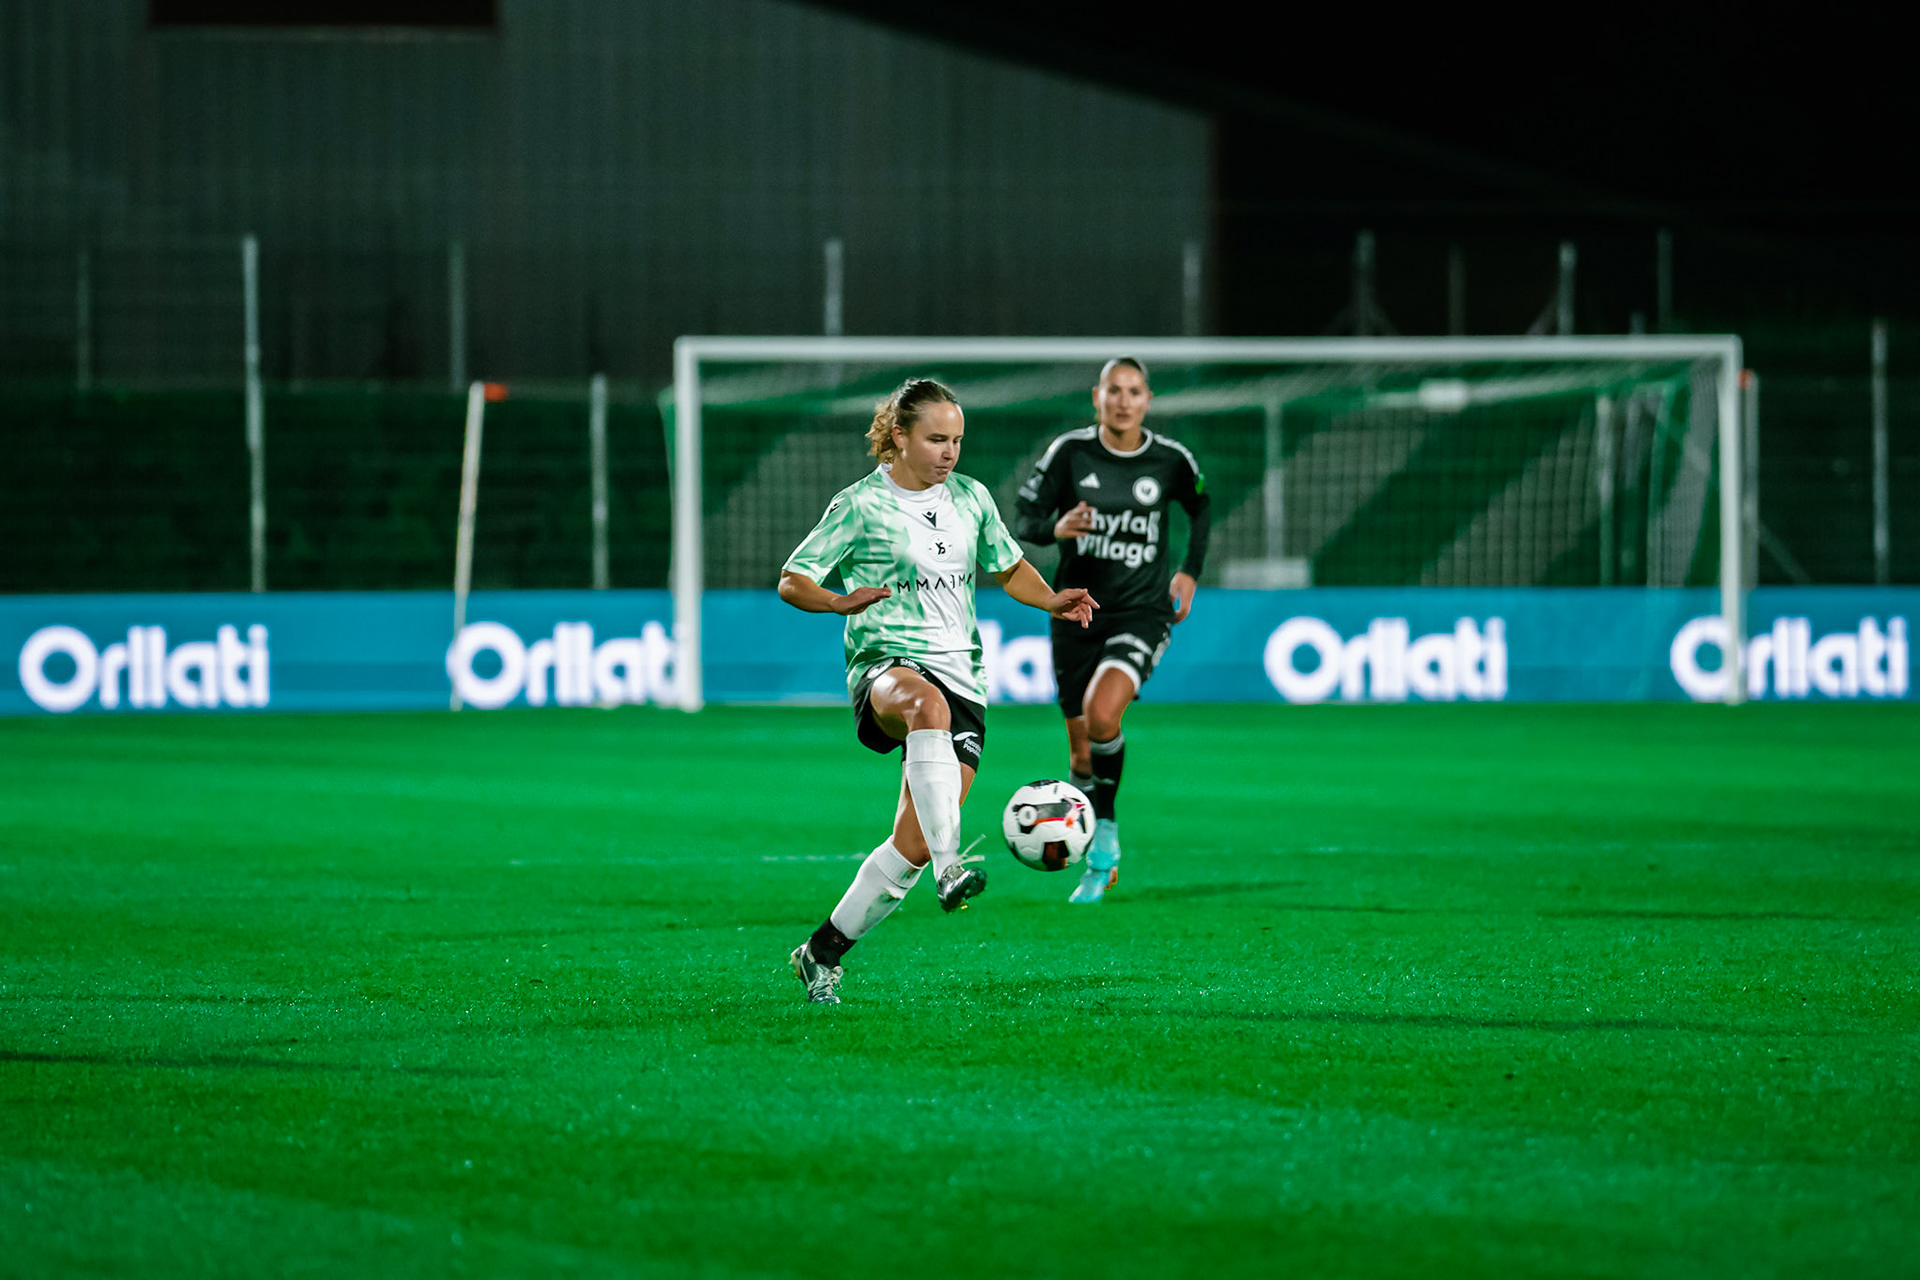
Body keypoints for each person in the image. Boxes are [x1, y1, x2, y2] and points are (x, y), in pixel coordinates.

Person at [780, 378, 1098, 1004]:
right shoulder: (860, 506)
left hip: (964, 678)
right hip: (886, 666)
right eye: (936, 439)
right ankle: (953, 868)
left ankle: (821, 953)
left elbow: (1008, 566)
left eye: (956, 439)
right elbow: (794, 579)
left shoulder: (970, 498)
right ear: (899, 436)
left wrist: (1053, 598)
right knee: (923, 706)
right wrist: (840, 601)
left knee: (912, 843)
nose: (950, 451)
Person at [1012, 356, 1211, 903]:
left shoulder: (1170, 460)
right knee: (1080, 757)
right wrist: (1055, 527)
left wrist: (1190, 569)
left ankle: (1104, 844)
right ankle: (1096, 839)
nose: (1123, 400)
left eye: (1134, 391)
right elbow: (1024, 518)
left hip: (1141, 613)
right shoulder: (1069, 453)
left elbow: (1201, 507)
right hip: (1077, 612)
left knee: (1104, 714)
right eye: (1114, 390)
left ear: (1147, 400)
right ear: (1096, 397)